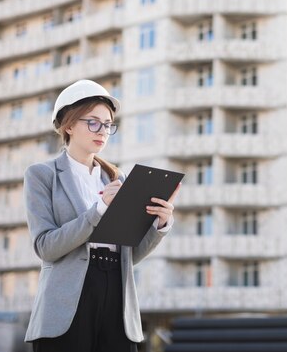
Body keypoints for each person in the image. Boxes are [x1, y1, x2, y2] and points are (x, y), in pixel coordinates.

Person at [23, 79, 180, 352]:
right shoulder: (42, 175)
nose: (102, 131)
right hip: (67, 301)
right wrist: (99, 210)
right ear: (68, 125)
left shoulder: (117, 178)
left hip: (117, 298)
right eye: (93, 122)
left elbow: (129, 256)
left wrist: (160, 224)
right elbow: (46, 247)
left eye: (107, 124)